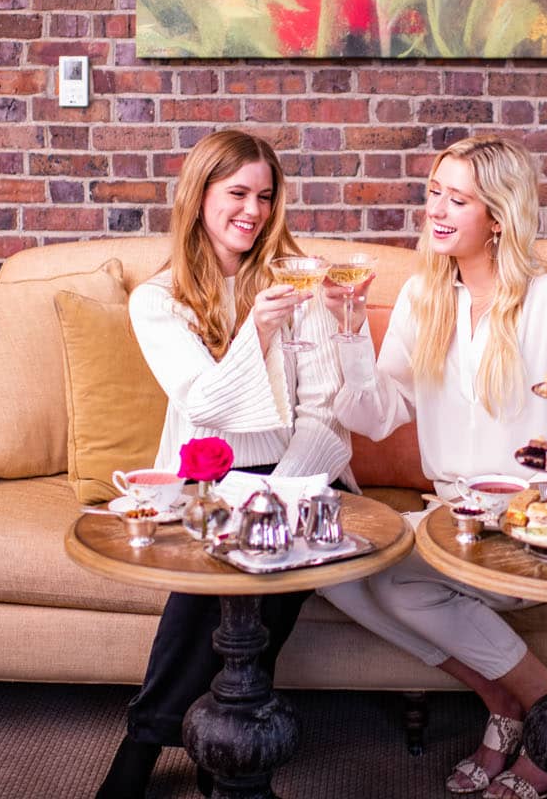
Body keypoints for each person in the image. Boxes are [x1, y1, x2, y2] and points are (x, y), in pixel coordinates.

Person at [319, 135, 547, 799]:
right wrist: (347, 327)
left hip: (530, 521)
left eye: (456, 199)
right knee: (329, 571)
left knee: (403, 585)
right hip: (452, 518)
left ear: (497, 216)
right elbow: (374, 415)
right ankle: (512, 702)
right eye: (433, 192)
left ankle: (544, 709)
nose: (435, 209)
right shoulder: (424, 297)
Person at [97, 129, 353, 799]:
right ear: (199, 195)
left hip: (295, 473)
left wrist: (288, 491)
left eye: (265, 196)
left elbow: (328, 406)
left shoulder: (302, 279)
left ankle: (182, 747)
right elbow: (205, 404)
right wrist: (258, 329)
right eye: (237, 192)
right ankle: (176, 743)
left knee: (279, 559)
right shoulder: (158, 299)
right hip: (206, 480)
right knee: (209, 584)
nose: (255, 210)